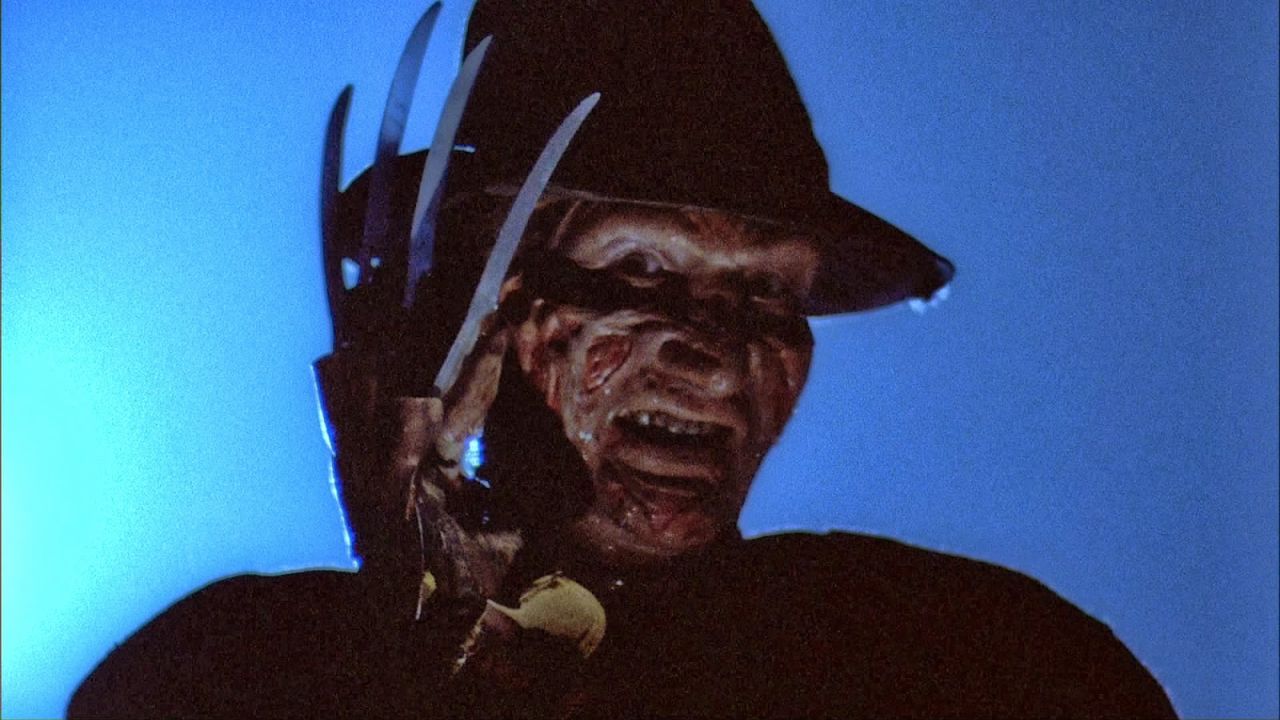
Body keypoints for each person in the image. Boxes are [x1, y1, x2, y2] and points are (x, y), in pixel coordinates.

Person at [69, 1, 1177, 717]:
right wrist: (415, 655)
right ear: (475, 312)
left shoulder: (970, 663)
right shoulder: (230, 675)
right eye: (640, 270)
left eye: (767, 294)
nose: (718, 358)